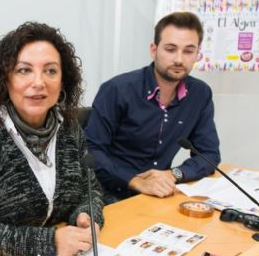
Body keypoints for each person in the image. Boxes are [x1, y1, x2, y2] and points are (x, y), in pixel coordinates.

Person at [0, 22, 104, 256]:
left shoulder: (69, 129)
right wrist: (49, 242)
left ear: (63, 81)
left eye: (50, 71)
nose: (39, 82)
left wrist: (87, 215)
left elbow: (91, 190)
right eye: (24, 70)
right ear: (5, 80)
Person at [85, 11, 220, 203]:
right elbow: (91, 151)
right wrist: (135, 181)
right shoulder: (117, 89)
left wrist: (174, 174)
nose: (179, 59)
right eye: (170, 49)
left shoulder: (200, 94)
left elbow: (209, 154)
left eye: (188, 51)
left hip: (158, 195)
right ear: (153, 50)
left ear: (198, 54)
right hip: (109, 193)